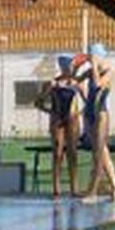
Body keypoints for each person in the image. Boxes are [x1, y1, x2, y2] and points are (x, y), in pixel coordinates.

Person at [79, 44, 115, 203]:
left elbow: (98, 85)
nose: (90, 60)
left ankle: (93, 193)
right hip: (90, 114)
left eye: (92, 57)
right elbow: (76, 81)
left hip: (101, 115)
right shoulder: (90, 71)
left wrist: (95, 67)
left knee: (99, 155)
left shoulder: (109, 71)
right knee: (102, 154)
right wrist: (73, 68)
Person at [35, 55, 81, 197]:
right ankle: (56, 189)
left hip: (72, 119)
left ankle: (74, 188)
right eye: (68, 66)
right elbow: (38, 103)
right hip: (57, 119)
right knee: (58, 153)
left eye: (71, 66)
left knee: (72, 153)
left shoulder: (76, 83)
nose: (70, 68)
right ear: (63, 67)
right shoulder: (52, 84)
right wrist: (50, 112)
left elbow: (89, 100)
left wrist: (78, 113)